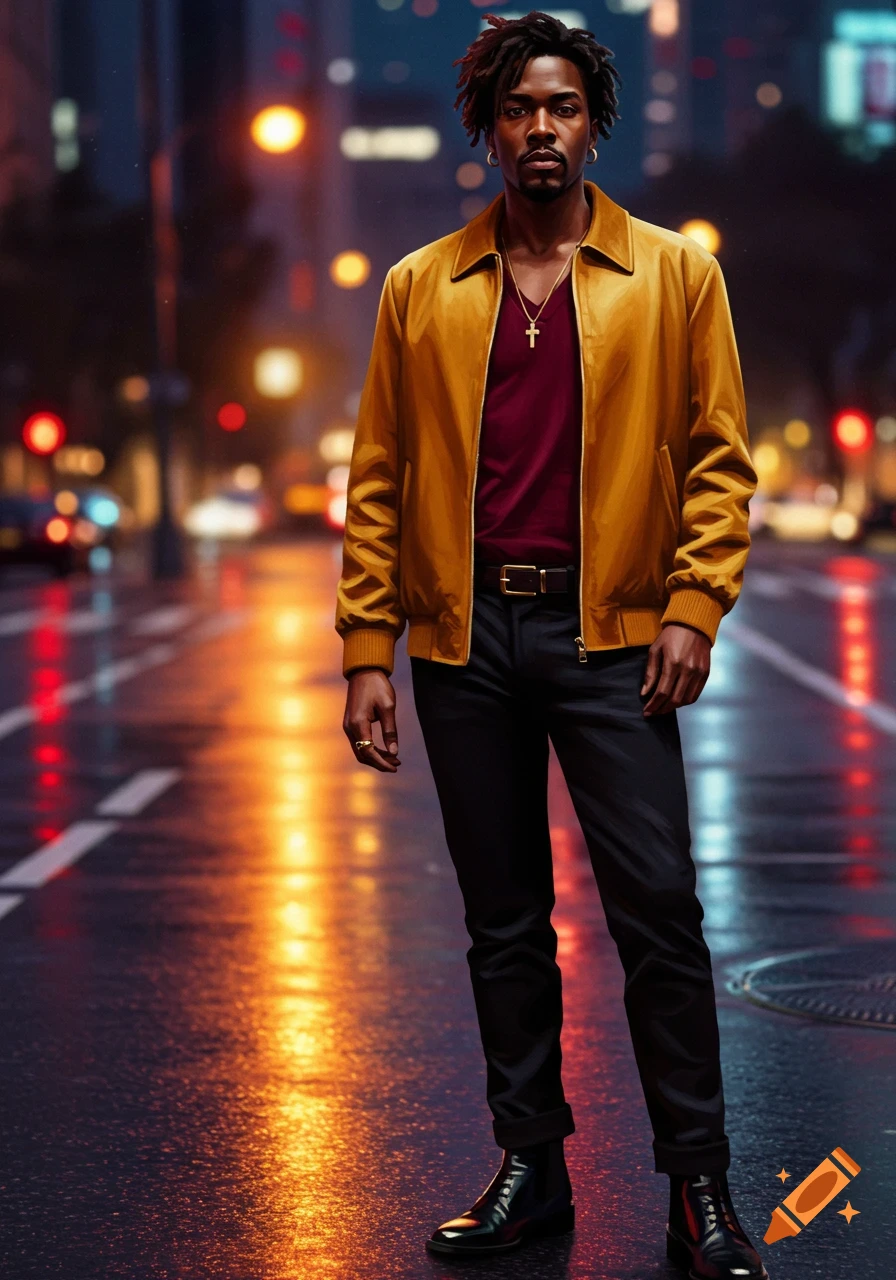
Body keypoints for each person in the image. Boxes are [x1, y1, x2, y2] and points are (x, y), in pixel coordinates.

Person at [335, 11, 766, 1278]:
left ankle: (699, 1188)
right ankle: (529, 1169)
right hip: (464, 642)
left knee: (659, 917)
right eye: (518, 109)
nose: (540, 129)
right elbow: (379, 477)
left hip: (608, 635)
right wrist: (370, 646)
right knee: (503, 922)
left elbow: (718, 465)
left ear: (593, 123)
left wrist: (692, 609)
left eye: (563, 107)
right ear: (485, 127)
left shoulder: (675, 275)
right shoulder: (421, 287)